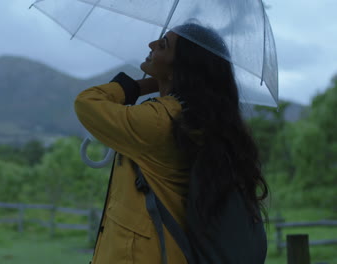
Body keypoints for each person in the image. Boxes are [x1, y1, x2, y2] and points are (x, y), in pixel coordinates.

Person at [74, 23, 269, 264]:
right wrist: (165, 81)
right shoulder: (198, 118)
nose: (152, 45)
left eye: (163, 45)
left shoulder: (159, 122)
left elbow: (87, 103)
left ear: (181, 67)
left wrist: (138, 86)